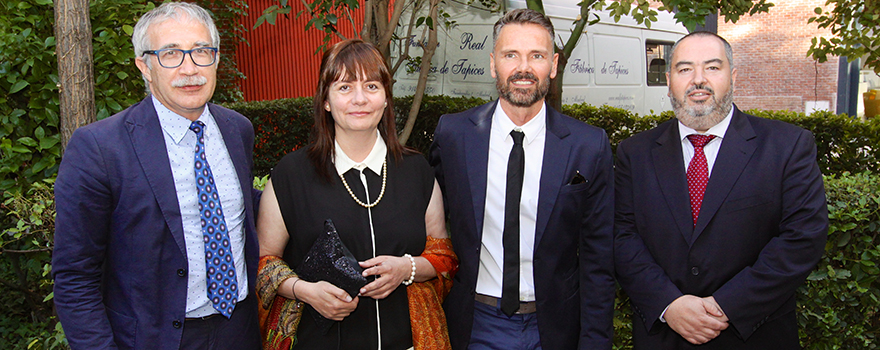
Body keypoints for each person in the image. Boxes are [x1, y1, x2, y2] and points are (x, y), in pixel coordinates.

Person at [52, 2, 262, 349]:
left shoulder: (237, 130)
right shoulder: (100, 149)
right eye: (170, 54)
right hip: (155, 339)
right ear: (144, 66)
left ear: (217, 59)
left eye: (201, 52)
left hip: (239, 331)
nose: (189, 68)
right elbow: (75, 277)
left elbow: (243, 212)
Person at [613, 31, 828, 349]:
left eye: (712, 67)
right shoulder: (634, 153)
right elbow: (621, 236)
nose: (698, 80)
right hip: (664, 335)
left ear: (733, 76)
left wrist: (726, 306)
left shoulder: (788, 146)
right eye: (685, 69)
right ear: (669, 79)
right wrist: (669, 304)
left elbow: (803, 238)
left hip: (755, 335)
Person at [429, 8, 615, 350]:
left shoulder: (588, 145)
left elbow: (598, 259)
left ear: (554, 65)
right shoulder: (454, 136)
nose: (523, 68)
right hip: (474, 324)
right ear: (493, 63)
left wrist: (594, 342)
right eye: (510, 55)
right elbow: (428, 226)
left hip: (554, 329)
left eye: (537, 56)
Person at [255, 39, 458, 350]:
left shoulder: (417, 171)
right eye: (345, 87)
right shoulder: (290, 175)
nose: (360, 99)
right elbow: (263, 263)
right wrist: (303, 290)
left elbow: (445, 259)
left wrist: (408, 268)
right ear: (326, 100)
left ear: (387, 98)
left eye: (372, 86)